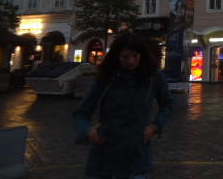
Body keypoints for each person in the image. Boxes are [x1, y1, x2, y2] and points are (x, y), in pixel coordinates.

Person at [74, 33, 173, 179]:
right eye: (125, 57)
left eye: (135, 56)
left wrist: (155, 127)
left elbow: (168, 104)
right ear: (117, 57)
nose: (131, 61)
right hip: (105, 154)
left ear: (141, 55)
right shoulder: (107, 77)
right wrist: (87, 131)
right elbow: (82, 112)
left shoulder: (153, 77)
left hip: (137, 155)